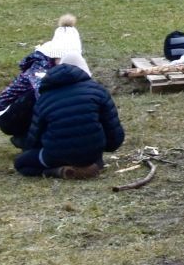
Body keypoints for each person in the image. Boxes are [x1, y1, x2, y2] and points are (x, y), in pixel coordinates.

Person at [14, 40, 125, 179]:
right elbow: (113, 130)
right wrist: (105, 148)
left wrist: (29, 150)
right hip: (91, 153)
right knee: (90, 154)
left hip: (56, 154)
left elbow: (34, 136)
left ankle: (56, 171)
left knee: (21, 163)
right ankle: (91, 165)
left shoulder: (44, 98)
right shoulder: (98, 91)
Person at [0, 14, 82, 149]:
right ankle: (29, 140)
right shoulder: (40, 68)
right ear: (56, 55)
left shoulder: (61, 66)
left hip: (27, 107)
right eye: (63, 59)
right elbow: (42, 96)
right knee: (47, 97)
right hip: (8, 113)